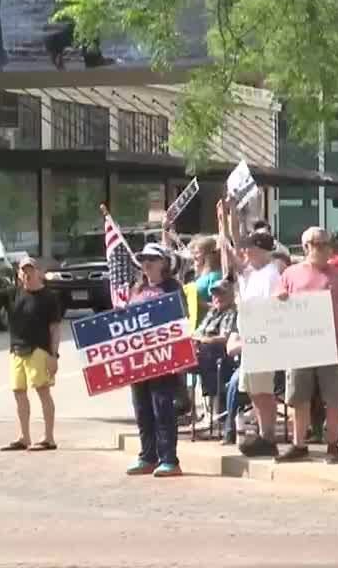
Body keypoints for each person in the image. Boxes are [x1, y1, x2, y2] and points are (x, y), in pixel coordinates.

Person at [275, 227, 338, 464]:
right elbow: (275, 306)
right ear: (305, 246)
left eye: (324, 243)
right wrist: (280, 300)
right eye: (314, 243)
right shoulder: (290, 274)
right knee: (299, 397)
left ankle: (332, 445)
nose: (320, 248)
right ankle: (299, 445)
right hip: (299, 346)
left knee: (334, 397)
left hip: (330, 346)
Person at [0, 256, 63, 452]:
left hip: (39, 349)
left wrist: (54, 355)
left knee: (42, 391)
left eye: (30, 269)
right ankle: (24, 437)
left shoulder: (49, 297)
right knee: (19, 392)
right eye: (23, 270)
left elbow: (55, 328)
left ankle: (49, 438)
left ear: (39, 272)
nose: (27, 273)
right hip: (16, 350)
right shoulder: (12, 293)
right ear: (18, 274)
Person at [217, 201, 282, 454]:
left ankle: (269, 437)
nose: (245, 252)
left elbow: (273, 308)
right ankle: (264, 434)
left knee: (263, 390)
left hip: (263, 339)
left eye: (250, 248)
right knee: (254, 391)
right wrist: (227, 217)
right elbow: (232, 247)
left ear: (261, 250)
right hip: (249, 338)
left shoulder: (270, 273)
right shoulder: (250, 273)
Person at [124, 243, 186, 477]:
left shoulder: (172, 288)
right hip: (138, 363)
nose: (146, 263)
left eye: (152, 258)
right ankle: (147, 456)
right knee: (142, 410)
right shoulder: (137, 289)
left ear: (164, 263)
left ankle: (169, 458)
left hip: (163, 361)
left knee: (163, 409)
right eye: (143, 258)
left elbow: (181, 320)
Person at [194, 278, 238, 428]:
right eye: (214, 294)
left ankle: (213, 412)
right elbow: (197, 332)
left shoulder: (232, 312)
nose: (217, 298)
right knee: (180, 359)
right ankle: (180, 401)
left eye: (221, 294)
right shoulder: (212, 312)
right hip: (203, 351)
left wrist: (205, 340)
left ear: (230, 295)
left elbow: (224, 337)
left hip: (222, 354)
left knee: (207, 354)